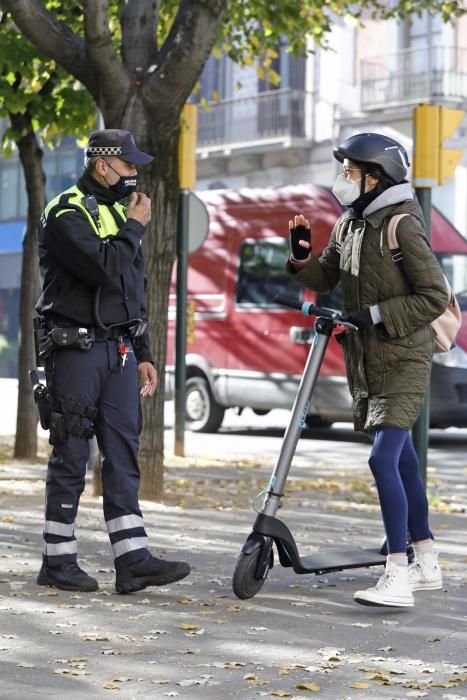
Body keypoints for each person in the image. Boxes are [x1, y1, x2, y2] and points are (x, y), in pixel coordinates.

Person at [286, 132, 448, 608]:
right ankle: (428, 560)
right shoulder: (350, 225)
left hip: (404, 357)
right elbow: (327, 278)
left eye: (350, 172)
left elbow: (433, 297)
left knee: (383, 459)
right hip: (368, 357)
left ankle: (396, 573)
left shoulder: (402, 224)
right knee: (403, 463)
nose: (343, 179)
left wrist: (374, 315)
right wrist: (301, 257)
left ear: (375, 176)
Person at [34, 129, 190, 594]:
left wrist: (142, 352)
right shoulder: (65, 212)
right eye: (128, 166)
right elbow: (102, 267)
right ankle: (57, 561)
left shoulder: (119, 213)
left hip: (119, 351)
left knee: (123, 455)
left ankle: (133, 561)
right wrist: (137, 226)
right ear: (102, 165)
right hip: (75, 350)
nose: (135, 174)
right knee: (73, 454)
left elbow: (130, 290)